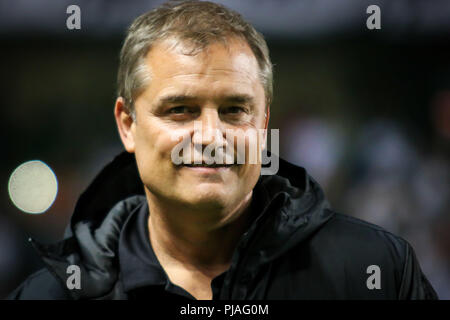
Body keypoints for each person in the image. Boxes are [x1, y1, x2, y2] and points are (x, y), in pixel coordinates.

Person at [8, 0, 437, 300]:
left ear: (264, 122)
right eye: (180, 110)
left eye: (234, 109)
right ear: (128, 125)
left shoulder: (373, 272)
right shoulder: (51, 295)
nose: (212, 135)